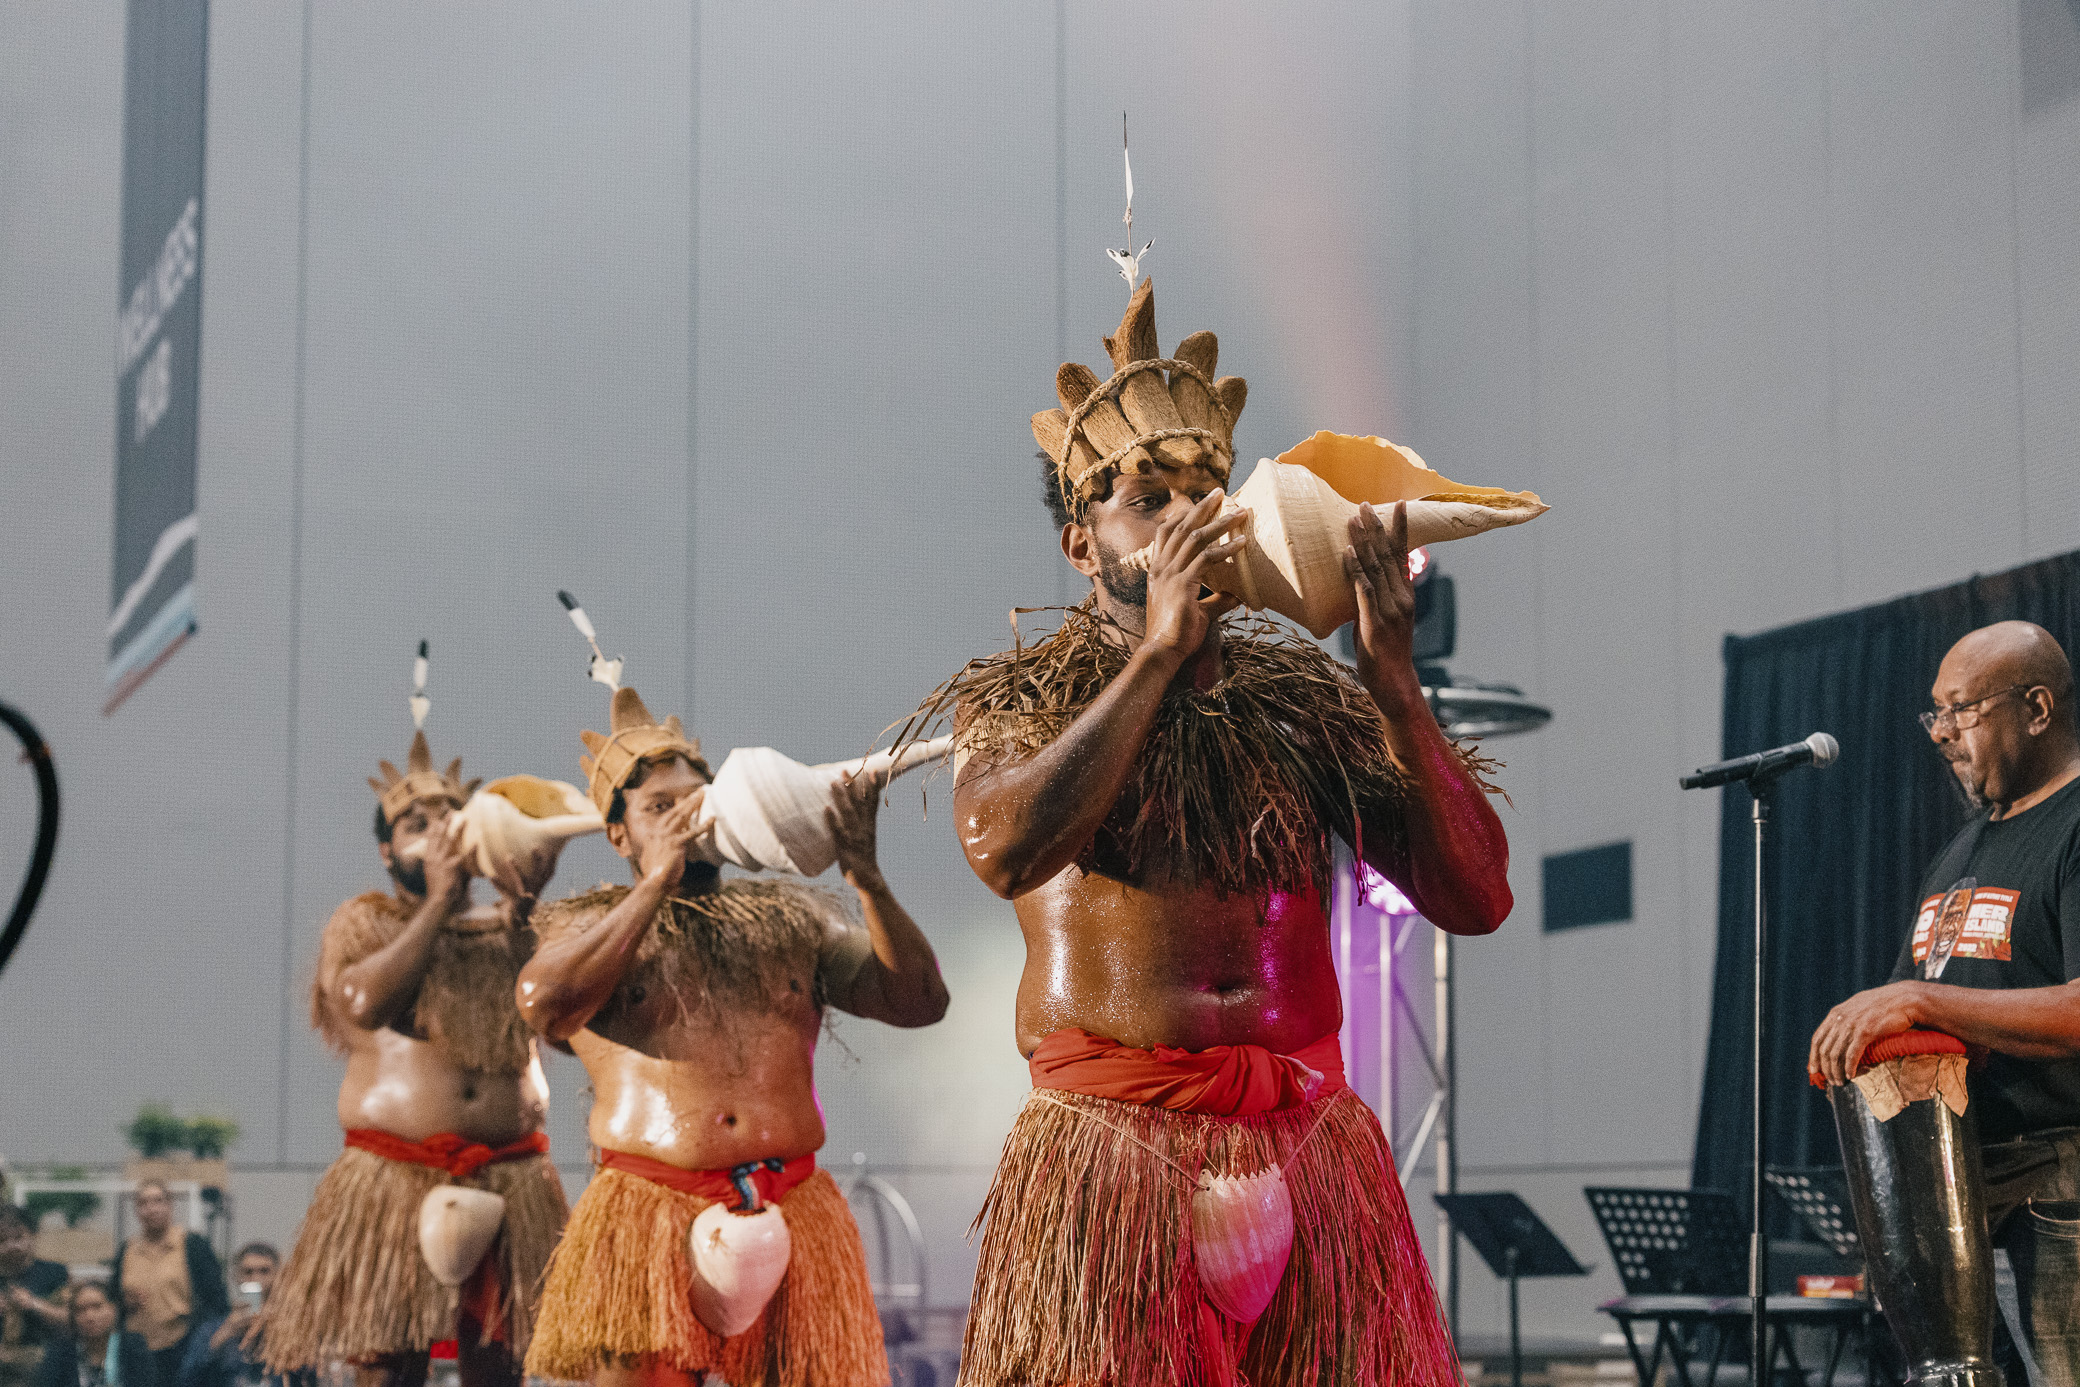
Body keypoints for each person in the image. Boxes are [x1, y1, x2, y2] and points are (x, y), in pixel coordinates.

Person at [912, 278, 1513, 1387]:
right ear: (1080, 544)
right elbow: (1003, 848)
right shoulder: (1016, 701)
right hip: (1112, 1150)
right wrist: (1153, 658)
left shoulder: (1304, 708)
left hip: (1308, 1138)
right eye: (1148, 498)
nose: (1190, 517)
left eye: (1205, 488)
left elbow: (1474, 897)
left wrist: (1392, 686)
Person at [517, 684, 949, 1387]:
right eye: (661, 807)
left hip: (794, 1204)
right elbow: (544, 1005)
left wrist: (868, 879)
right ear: (619, 834)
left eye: (700, 796)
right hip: (648, 1214)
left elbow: (920, 1000)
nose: (690, 816)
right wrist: (655, 884)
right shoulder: (583, 927)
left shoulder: (790, 917)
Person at [1810, 620, 2080, 1386]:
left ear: (2035, 708)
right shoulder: (1958, 853)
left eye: (1961, 708)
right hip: (1956, 1197)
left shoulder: (2075, 826)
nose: (1941, 733)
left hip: (2061, 1187)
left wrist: (1924, 998)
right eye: (1934, 712)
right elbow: (1917, 1017)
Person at [263, 728, 568, 1387]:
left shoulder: (509, 929)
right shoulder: (367, 921)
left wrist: (525, 906)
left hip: (511, 1177)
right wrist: (437, 900)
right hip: (397, 1177)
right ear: (385, 849)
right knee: (390, 1362)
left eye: (449, 817)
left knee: (501, 1363)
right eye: (415, 823)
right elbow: (363, 1002)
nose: (437, 831)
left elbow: (563, 1020)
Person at [108, 1185, 224, 1387]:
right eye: (143, 1203)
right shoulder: (127, 1250)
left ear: (170, 1205)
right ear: (136, 1210)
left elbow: (216, 1297)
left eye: (158, 1201)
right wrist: (125, 1301)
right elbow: (111, 1296)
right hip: (137, 1349)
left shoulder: (192, 1245)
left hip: (183, 1346)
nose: (151, 1209)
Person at [175, 1245, 305, 1387]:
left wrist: (279, 1332)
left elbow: (308, 1375)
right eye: (248, 1272)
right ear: (237, 1277)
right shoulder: (212, 1329)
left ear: (278, 1276)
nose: (256, 1278)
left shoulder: (293, 1329)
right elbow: (186, 1379)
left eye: (264, 1271)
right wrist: (222, 1336)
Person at [33, 1282, 155, 1387]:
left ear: (113, 1309)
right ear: (73, 1318)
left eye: (97, 1307)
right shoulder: (60, 1351)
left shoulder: (133, 1345)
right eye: (80, 1310)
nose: (89, 1317)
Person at [1, 1204, 69, 1387]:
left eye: (18, 1237)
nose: (12, 1245)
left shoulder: (55, 1273)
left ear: (32, 1235)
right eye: (3, 1239)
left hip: (43, 1364)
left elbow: (70, 1318)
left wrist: (33, 1304)